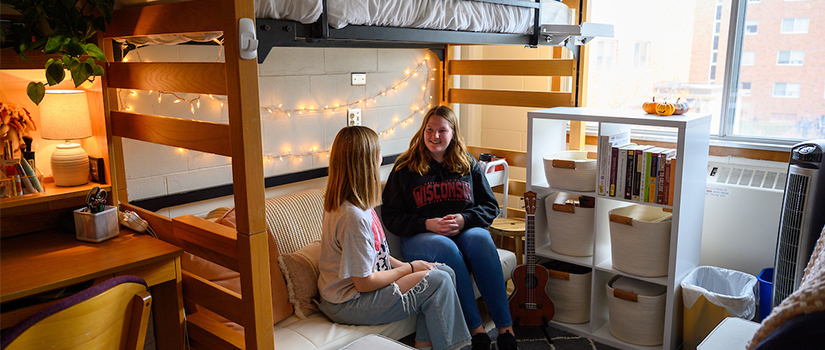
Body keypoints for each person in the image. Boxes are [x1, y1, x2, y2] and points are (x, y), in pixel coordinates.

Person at [317, 126, 470, 350]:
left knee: (443, 271)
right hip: (347, 303)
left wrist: (414, 267)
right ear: (366, 161)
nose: (381, 156)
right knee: (438, 282)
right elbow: (363, 282)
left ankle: (424, 345)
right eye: (378, 151)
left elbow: (380, 256)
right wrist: (408, 268)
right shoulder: (353, 217)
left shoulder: (361, 204)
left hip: (362, 289)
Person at [381, 106, 518, 350]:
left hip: (463, 231)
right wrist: (426, 223)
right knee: (446, 248)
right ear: (423, 131)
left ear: (453, 133)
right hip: (420, 236)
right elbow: (392, 217)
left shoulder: (468, 163)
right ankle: (477, 332)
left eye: (442, 130)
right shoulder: (405, 167)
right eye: (429, 129)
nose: (435, 136)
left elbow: (490, 206)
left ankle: (506, 329)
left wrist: (465, 220)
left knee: (482, 240)